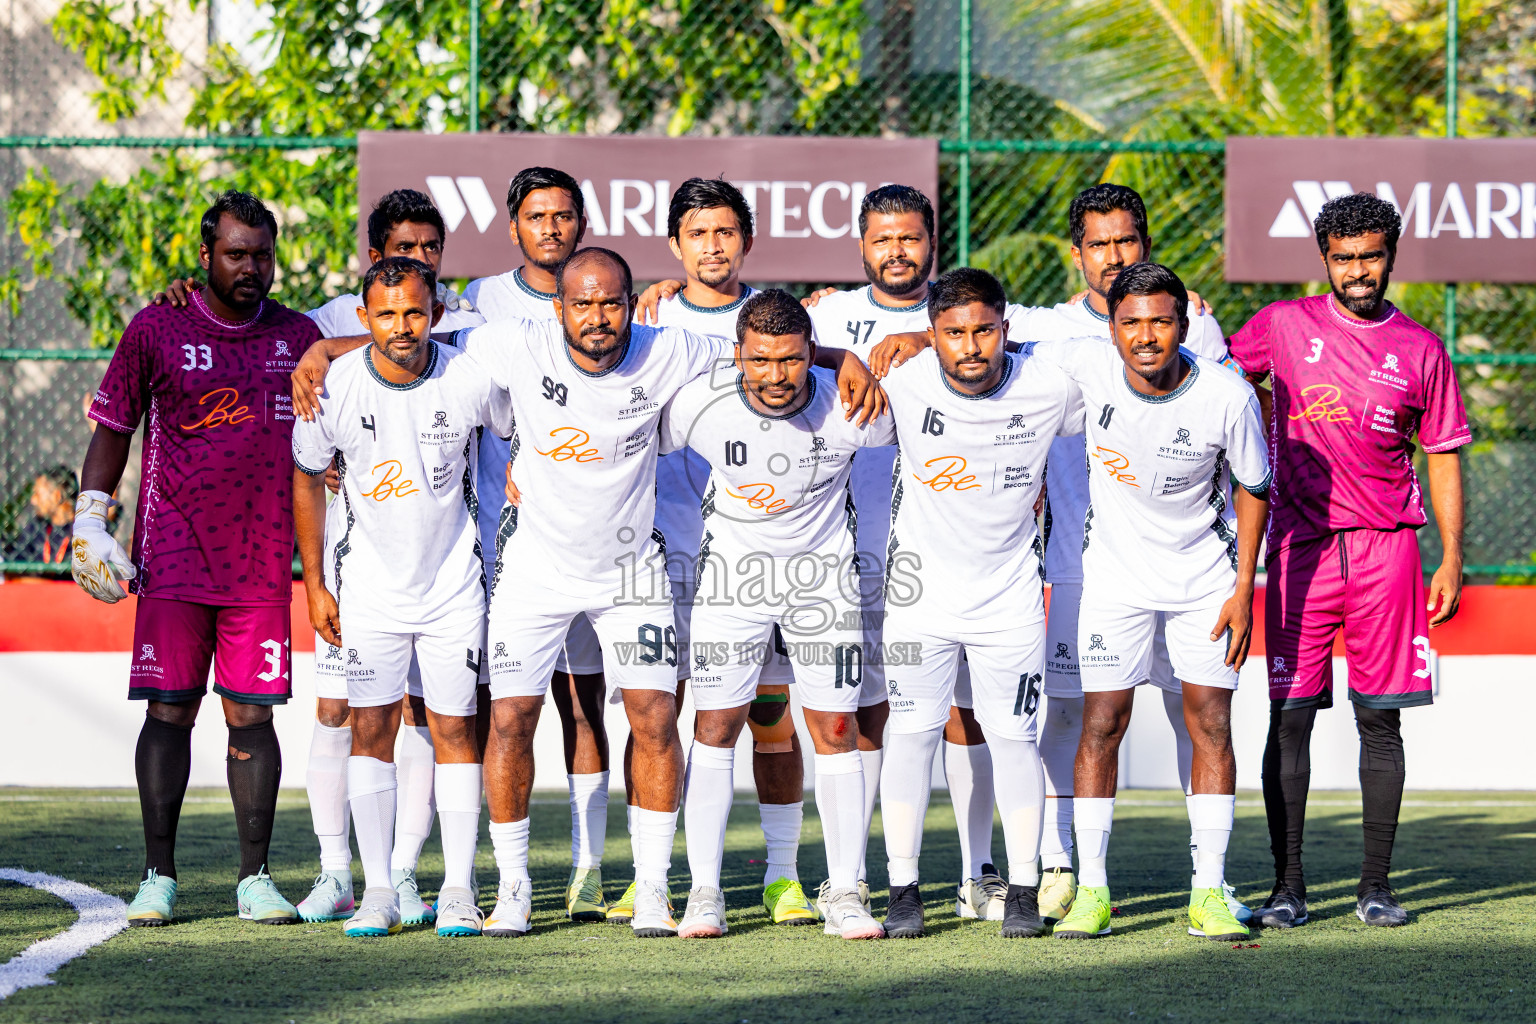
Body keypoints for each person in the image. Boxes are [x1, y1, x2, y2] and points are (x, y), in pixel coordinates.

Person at [290, 247, 882, 939]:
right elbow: (411, 334)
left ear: (632, 303)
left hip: (632, 573)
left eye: (611, 303)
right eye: (583, 304)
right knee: (510, 719)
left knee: (655, 719)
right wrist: (325, 349)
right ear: (558, 309)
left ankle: (656, 888)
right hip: (534, 571)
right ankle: (511, 889)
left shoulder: (671, 348)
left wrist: (846, 359)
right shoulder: (513, 342)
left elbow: (768, 345)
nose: (598, 318)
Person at [150, 189, 484, 927]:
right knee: (339, 713)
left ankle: (411, 875)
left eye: (431, 251)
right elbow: (300, 370)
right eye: (405, 248)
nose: (418, 262)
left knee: (430, 719)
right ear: (372, 263)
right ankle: (342, 875)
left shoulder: (466, 329)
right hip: (352, 560)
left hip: (444, 567)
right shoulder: (330, 320)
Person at [71, 190, 319, 926]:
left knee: (253, 716)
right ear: (206, 256)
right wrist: (91, 516)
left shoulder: (300, 335)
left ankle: (255, 879)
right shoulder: (157, 326)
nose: (251, 267)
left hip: (262, 564)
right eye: (236, 253)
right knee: (169, 709)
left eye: (263, 254)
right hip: (174, 558)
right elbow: (114, 426)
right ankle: (158, 876)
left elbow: (363, 356)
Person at [1229, 192, 1469, 929]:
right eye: (1344, 258)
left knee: (1380, 721)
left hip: (1387, 548)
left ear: (1390, 255)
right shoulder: (1281, 326)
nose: (1358, 271)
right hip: (1299, 546)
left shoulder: (1422, 348)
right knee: (1289, 717)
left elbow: (1445, 457)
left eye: (1370, 256)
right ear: (1324, 260)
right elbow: (1210, 380)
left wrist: (1453, 555)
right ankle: (1288, 887)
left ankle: (1376, 887)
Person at [1026, 263, 1269, 942]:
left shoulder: (1228, 396)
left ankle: (1208, 892)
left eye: (1161, 321)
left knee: (1210, 724)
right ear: (1110, 328)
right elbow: (992, 339)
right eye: (1131, 322)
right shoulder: (1086, 364)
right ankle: (1093, 892)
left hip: (1205, 585)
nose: (1146, 336)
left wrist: (1245, 590)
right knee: (1101, 723)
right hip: (1115, 582)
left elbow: (1254, 488)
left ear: (1185, 326)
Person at [802, 184, 1006, 921]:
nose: (897, 250)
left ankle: (979, 871)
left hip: (941, 552)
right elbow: (751, 336)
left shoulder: (961, 317)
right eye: (883, 238)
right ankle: (852, 876)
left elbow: (1049, 342)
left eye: (910, 238)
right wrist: (841, 351)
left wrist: (927, 339)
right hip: (840, 548)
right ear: (862, 244)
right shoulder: (825, 315)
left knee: (964, 714)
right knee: (857, 716)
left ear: (931, 242)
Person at [659, 288, 887, 941]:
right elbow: (626, 438)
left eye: (789, 361)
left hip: (824, 584)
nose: (775, 375)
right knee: (716, 725)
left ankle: (845, 888)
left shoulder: (847, 401)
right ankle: (705, 891)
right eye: (760, 361)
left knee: (836, 728)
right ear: (739, 356)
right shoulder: (699, 400)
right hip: (732, 583)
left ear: (809, 355)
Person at [292, 257, 507, 938]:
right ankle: (379, 888)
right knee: (371, 730)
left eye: (414, 312)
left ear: (435, 314)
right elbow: (304, 479)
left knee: (452, 730)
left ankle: (457, 889)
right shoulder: (333, 388)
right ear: (364, 321)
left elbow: (514, 442)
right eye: (386, 315)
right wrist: (316, 583)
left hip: (453, 589)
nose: (401, 326)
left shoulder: (469, 376)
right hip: (370, 594)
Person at [876, 267, 1083, 940]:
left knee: (1013, 740)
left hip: (1011, 604)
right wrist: (835, 354)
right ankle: (903, 890)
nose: (971, 347)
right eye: (954, 333)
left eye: (984, 331)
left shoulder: (1051, 386)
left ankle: (1022, 891)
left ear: (1006, 329)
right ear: (931, 335)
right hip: (918, 601)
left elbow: (1117, 365)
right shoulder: (902, 385)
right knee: (909, 738)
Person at [647, 177, 818, 927]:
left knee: (771, 717)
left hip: (753, 556)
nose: (712, 246)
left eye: (725, 232)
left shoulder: (775, 320)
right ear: (676, 245)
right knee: (663, 714)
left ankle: (782, 875)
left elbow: (822, 361)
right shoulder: (647, 319)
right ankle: (660, 876)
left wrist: (840, 358)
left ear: (746, 240)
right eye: (697, 233)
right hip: (661, 546)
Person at [463, 167, 616, 922]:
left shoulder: (610, 301)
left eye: (563, 215)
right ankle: (499, 877)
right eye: (536, 216)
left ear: (581, 224)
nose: (550, 228)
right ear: (513, 225)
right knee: (504, 711)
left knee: (586, 703)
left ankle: (590, 868)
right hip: (507, 544)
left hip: (595, 543)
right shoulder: (480, 302)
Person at [7, 466, 78, 565]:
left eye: (37, 494)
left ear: (57, 496)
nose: (33, 501)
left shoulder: (85, 530)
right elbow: (14, 566)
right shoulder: (36, 528)